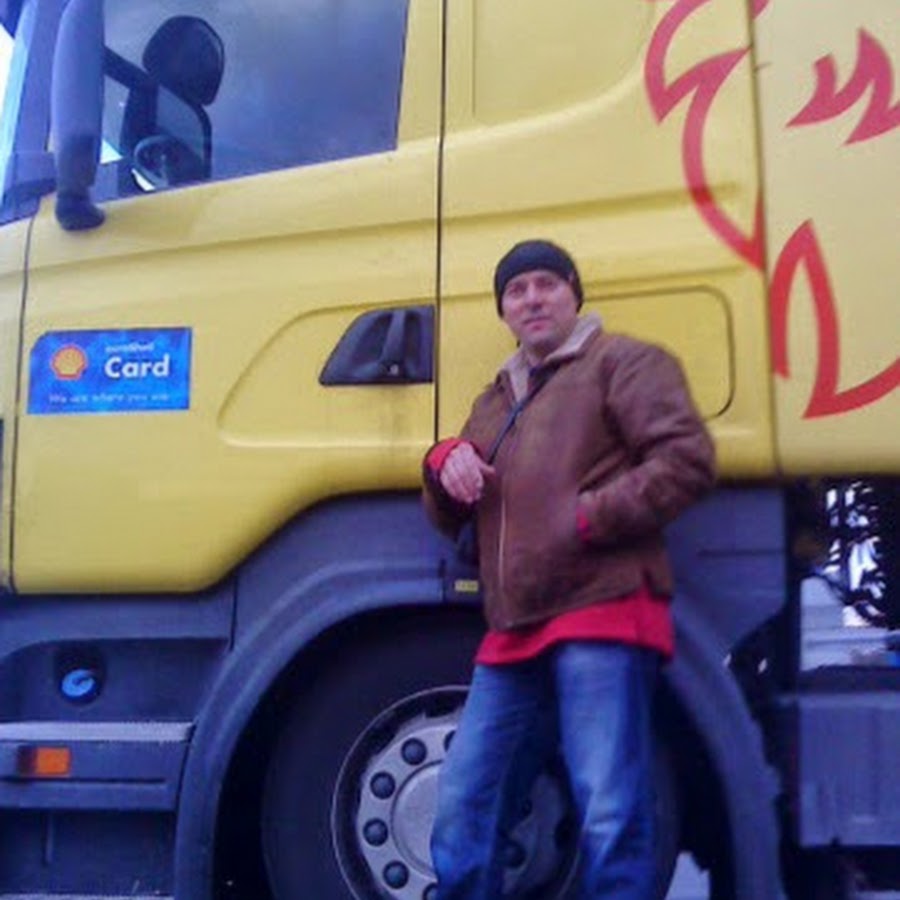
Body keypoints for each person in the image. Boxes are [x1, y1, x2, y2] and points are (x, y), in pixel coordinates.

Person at [422, 239, 716, 899]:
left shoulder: (624, 361)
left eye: (547, 284)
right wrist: (442, 463)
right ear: (503, 310)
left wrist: (585, 520)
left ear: (574, 295)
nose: (532, 299)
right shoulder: (494, 400)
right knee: (464, 805)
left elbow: (686, 460)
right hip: (514, 628)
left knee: (610, 812)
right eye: (516, 289)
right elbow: (449, 514)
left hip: (602, 611)